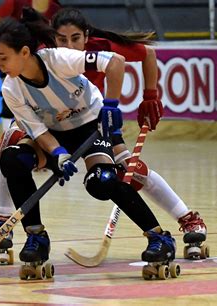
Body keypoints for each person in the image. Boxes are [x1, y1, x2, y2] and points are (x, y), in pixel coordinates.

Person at [0, 8, 176, 273]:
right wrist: (59, 154)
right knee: (12, 159)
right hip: (54, 134)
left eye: (2, 57)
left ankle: (159, 237)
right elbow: (39, 132)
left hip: (90, 125)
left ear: (23, 52)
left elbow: (115, 62)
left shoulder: (58, 59)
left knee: (103, 181)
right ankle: (36, 237)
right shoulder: (11, 88)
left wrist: (110, 107)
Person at [51, 8, 207, 258]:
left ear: (86, 37)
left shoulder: (100, 48)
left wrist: (150, 96)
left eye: (76, 38)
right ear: (53, 38)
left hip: (94, 122)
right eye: (62, 39)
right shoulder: (46, 56)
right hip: (56, 127)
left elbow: (148, 53)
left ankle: (188, 218)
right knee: (15, 155)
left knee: (131, 170)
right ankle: (5, 225)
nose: (69, 46)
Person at [0, 0, 62, 131]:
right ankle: (10, 134)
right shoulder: (17, 1)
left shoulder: (55, 7)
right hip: (13, 57)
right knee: (12, 94)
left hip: (40, 60)